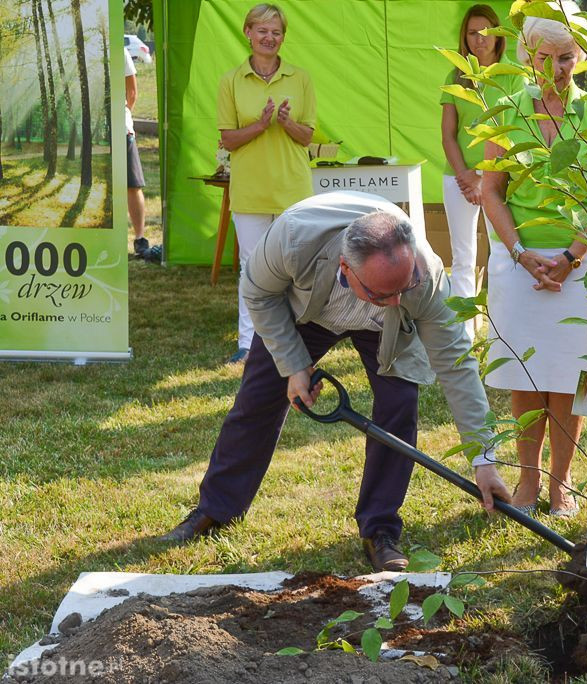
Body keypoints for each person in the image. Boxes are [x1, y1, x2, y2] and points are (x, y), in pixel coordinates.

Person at [159, 191, 513, 572]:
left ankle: (379, 530)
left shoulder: (421, 281)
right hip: (306, 311)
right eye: (382, 293)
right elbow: (257, 294)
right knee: (257, 400)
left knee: (399, 408)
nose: (396, 299)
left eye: (402, 288)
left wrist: (484, 459)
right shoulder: (293, 239)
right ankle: (215, 510)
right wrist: (294, 365)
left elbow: (457, 367)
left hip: (384, 331)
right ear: (346, 267)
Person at [481, 1, 587, 517]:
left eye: (569, 57)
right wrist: (519, 252)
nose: (561, 68)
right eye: (550, 58)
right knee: (525, 376)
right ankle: (528, 482)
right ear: (529, 57)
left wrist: (573, 255)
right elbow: (491, 190)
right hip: (519, 262)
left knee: (571, 374)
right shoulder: (507, 111)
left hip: (577, 265)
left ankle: (561, 483)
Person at [217, 3, 316, 364]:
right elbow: (227, 140)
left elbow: (306, 137)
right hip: (251, 191)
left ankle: (298, 341)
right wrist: (260, 125)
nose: (269, 38)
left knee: (296, 268)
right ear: (248, 33)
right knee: (252, 269)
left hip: (293, 188)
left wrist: (287, 123)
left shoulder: (300, 78)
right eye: (262, 30)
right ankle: (249, 343)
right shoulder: (230, 80)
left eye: (276, 32)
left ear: (283, 38)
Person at [440, 4, 523, 337]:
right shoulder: (454, 76)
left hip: (498, 176)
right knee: (463, 257)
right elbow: (448, 135)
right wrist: (465, 176)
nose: (479, 39)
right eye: (472, 33)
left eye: (485, 31)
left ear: (498, 33)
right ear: (464, 37)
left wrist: (484, 178)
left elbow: (515, 131)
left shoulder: (514, 74)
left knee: (502, 253)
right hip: (457, 178)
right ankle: (464, 336)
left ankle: (502, 331)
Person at [124, 47, 157, 263]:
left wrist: (123, 114)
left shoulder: (120, 50)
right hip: (90, 132)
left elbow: (132, 91)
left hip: (121, 129)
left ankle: (139, 238)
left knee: (133, 185)